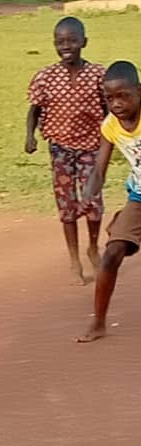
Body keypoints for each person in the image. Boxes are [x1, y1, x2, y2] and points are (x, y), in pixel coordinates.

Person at [26, 16, 106, 284]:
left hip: (91, 148)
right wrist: (30, 136)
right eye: (61, 42)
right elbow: (34, 110)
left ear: (84, 42)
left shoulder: (98, 75)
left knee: (92, 201)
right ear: (54, 44)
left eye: (72, 41)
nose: (67, 46)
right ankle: (74, 260)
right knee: (66, 204)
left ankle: (93, 247)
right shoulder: (46, 77)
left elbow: (109, 110)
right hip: (60, 149)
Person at [77, 61, 141, 342]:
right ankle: (99, 322)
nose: (116, 104)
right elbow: (99, 170)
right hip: (139, 197)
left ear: (139, 91)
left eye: (123, 96)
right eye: (109, 98)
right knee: (112, 254)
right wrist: (88, 195)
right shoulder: (110, 126)